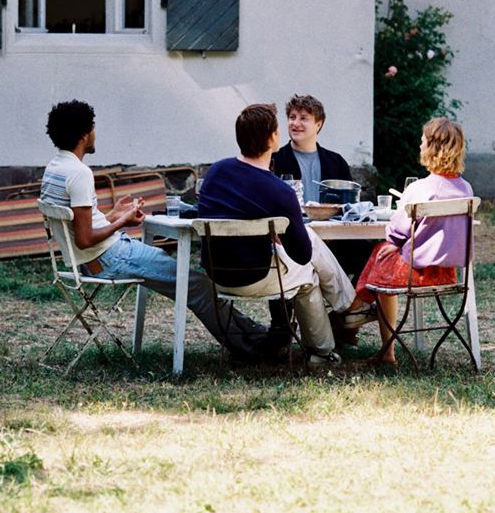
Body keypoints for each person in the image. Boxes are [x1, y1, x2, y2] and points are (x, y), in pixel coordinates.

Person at [40, 100, 276, 363]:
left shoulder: (54, 169)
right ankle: (253, 349)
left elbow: (78, 227)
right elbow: (84, 239)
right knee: (197, 285)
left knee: (196, 284)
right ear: (84, 135)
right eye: (93, 128)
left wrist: (113, 214)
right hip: (108, 258)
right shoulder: (79, 173)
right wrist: (124, 222)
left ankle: (259, 336)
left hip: (93, 259)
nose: (95, 133)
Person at [197, 103, 361, 368]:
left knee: (306, 246)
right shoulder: (279, 190)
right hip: (256, 275)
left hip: (217, 274)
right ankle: (325, 347)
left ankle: (348, 309)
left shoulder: (216, 172)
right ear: (273, 138)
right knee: (309, 273)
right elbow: (303, 254)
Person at [347, 117, 474, 366]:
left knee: (381, 253)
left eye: (422, 141)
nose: (419, 146)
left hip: (417, 273)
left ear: (432, 147)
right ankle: (354, 310)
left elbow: (397, 229)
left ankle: (355, 313)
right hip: (449, 274)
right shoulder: (466, 189)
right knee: (382, 255)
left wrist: (394, 241)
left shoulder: (421, 188)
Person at [270, 93, 374, 343]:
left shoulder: (335, 161)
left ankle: (345, 322)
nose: (295, 123)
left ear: (319, 124)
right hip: (294, 240)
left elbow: (351, 205)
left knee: (369, 254)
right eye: (292, 117)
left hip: (334, 239)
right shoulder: (277, 160)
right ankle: (282, 327)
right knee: (278, 255)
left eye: (304, 118)